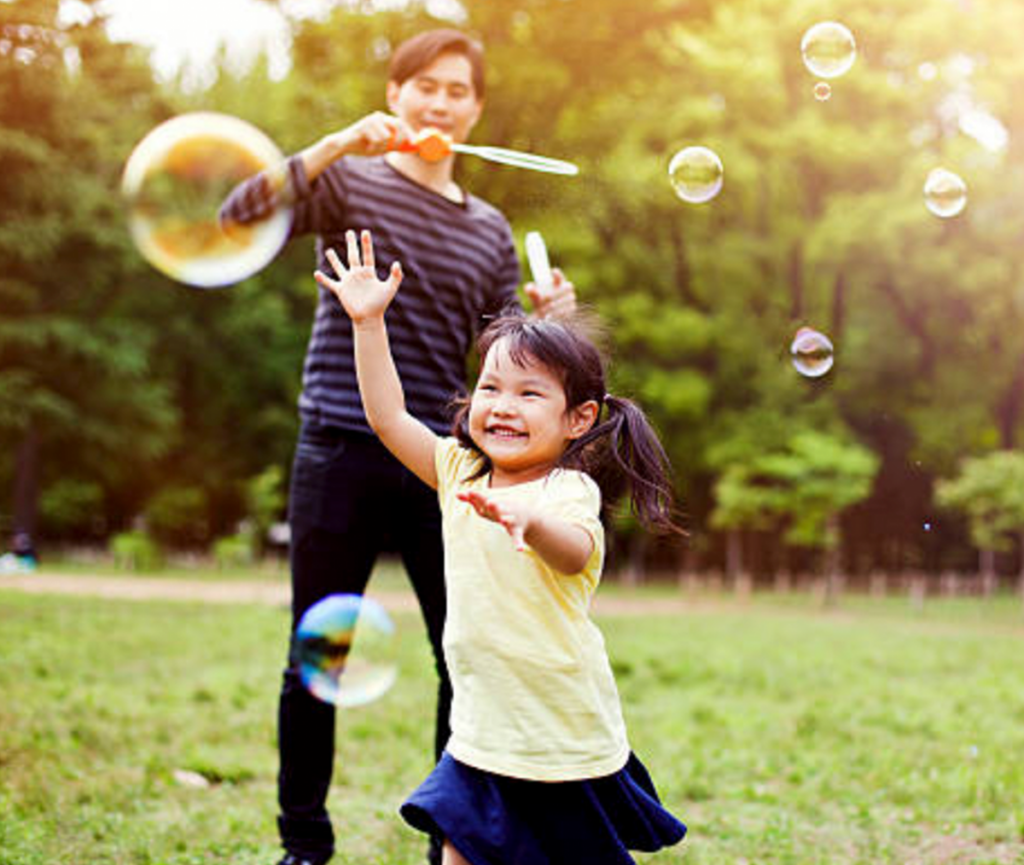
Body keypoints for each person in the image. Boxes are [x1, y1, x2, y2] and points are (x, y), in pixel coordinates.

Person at [220, 28, 575, 865]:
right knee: (317, 654)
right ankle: (303, 845)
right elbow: (240, 211)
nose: (440, 102)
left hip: (440, 460)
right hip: (339, 443)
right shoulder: (348, 183)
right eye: (425, 86)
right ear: (396, 95)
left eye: (457, 90)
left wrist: (544, 325)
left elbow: (495, 360)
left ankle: (454, 845)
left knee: (466, 658)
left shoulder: (490, 228)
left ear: (475, 108)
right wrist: (340, 141)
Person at [315, 229, 687, 865]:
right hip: (482, 730)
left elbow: (573, 551)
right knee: (460, 850)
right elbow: (387, 417)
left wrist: (530, 523)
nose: (502, 406)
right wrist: (369, 322)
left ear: (580, 419)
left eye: (529, 393)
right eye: (490, 388)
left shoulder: (567, 489)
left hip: (560, 732)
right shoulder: (461, 470)